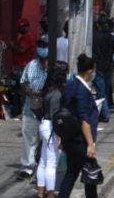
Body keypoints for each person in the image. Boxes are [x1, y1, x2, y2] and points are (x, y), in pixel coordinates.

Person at [59, 54, 100, 198]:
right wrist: (90, 144)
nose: (94, 73)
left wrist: (61, 138)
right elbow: (84, 120)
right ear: (89, 71)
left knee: (71, 173)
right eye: (94, 71)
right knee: (91, 174)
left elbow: (64, 112)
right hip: (80, 140)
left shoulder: (70, 84)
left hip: (69, 139)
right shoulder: (82, 91)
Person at [36, 61, 68, 198]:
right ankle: (50, 194)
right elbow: (57, 117)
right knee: (51, 163)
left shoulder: (48, 89)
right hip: (52, 128)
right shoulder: (57, 94)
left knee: (43, 161)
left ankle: (40, 192)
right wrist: (60, 135)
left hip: (44, 125)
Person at [17, 42, 48, 179]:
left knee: (46, 140)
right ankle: (27, 167)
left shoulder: (54, 67)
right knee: (29, 138)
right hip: (30, 109)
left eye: (45, 60)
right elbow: (23, 82)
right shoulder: (31, 65)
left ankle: (44, 167)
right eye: (41, 60)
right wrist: (29, 91)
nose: (43, 63)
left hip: (47, 112)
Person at [92, 18, 114, 122]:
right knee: (104, 90)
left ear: (98, 26)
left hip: (97, 66)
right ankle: (103, 112)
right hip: (108, 66)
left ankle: (105, 113)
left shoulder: (94, 37)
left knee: (101, 91)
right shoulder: (111, 37)